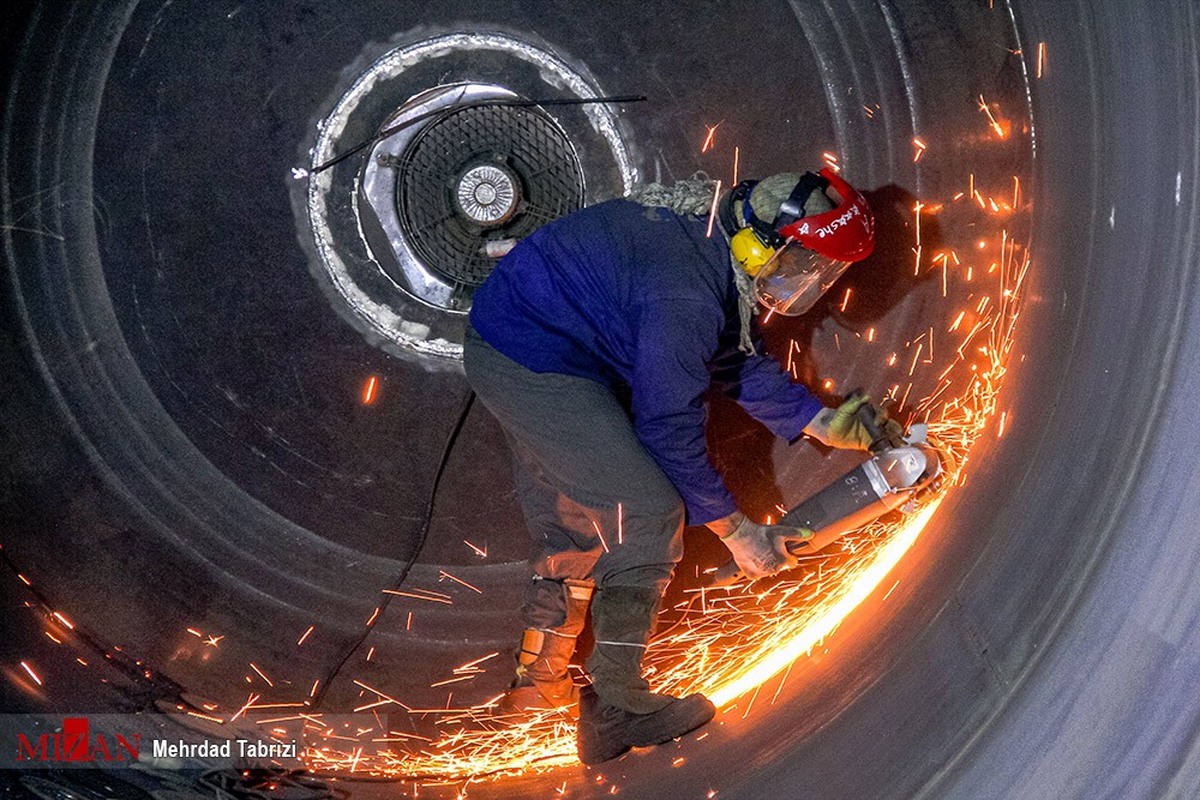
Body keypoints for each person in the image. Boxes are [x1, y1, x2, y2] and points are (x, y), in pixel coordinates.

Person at [463, 168, 879, 765]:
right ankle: (619, 706)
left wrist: (823, 422)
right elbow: (667, 426)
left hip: (517, 337)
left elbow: (729, 355)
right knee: (647, 512)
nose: (807, 280)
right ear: (761, 242)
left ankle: (537, 688)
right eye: (805, 263)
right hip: (532, 360)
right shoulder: (684, 293)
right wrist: (739, 534)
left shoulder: (706, 235)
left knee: (584, 517)